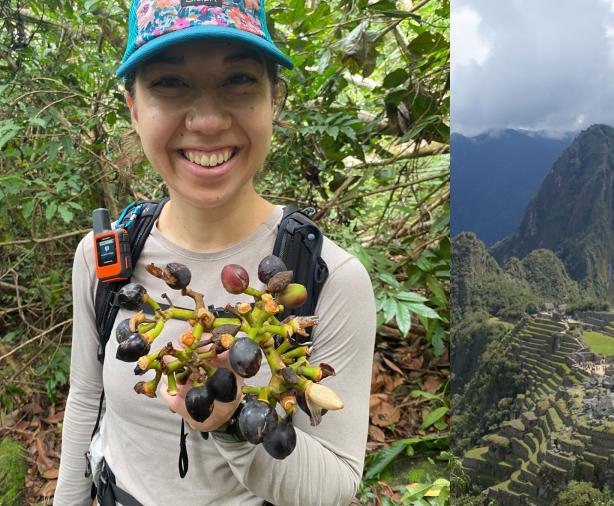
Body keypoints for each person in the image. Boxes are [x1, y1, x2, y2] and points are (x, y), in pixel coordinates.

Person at [54, 1, 376, 504]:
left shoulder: (331, 279)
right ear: (134, 109)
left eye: (239, 80)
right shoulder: (104, 258)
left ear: (275, 102)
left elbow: (335, 485)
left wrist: (230, 422)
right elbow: (85, 399)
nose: (206, 120)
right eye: (170, 83)